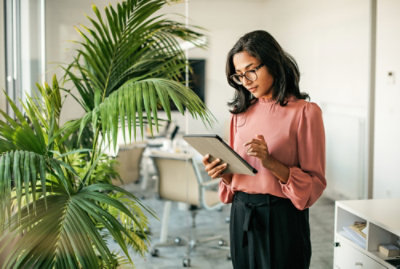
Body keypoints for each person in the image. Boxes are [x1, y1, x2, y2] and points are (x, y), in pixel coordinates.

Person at [202, 30, 326, 269]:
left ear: (273, 64)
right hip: (242, 214)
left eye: (251, 70)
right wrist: (223, 173)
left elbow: (315, 185)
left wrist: (271, 163)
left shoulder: (306, 112)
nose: (246, 80)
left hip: (282, 219)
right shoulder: (240, 114)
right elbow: (239, 178)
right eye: (239, 75)